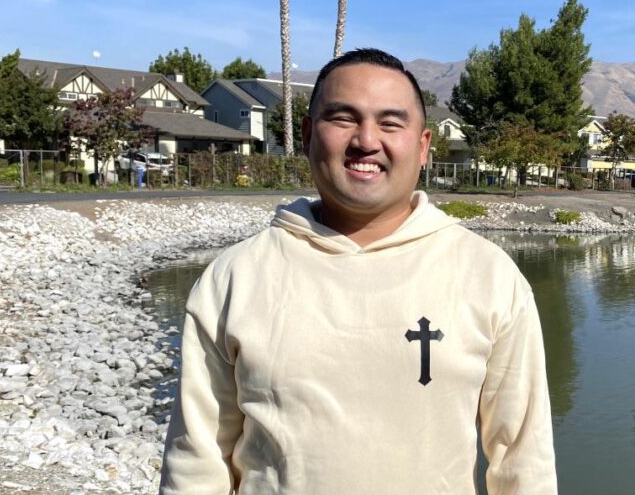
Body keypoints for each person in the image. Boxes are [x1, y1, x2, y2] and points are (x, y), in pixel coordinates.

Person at [160, 48, 557, 494]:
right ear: (309, 134)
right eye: (344, 118)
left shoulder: (489, 277)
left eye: (390, 123)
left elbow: (522, 459)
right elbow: (197, 460)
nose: (367, 140)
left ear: (424, 146)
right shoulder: (234, 278)